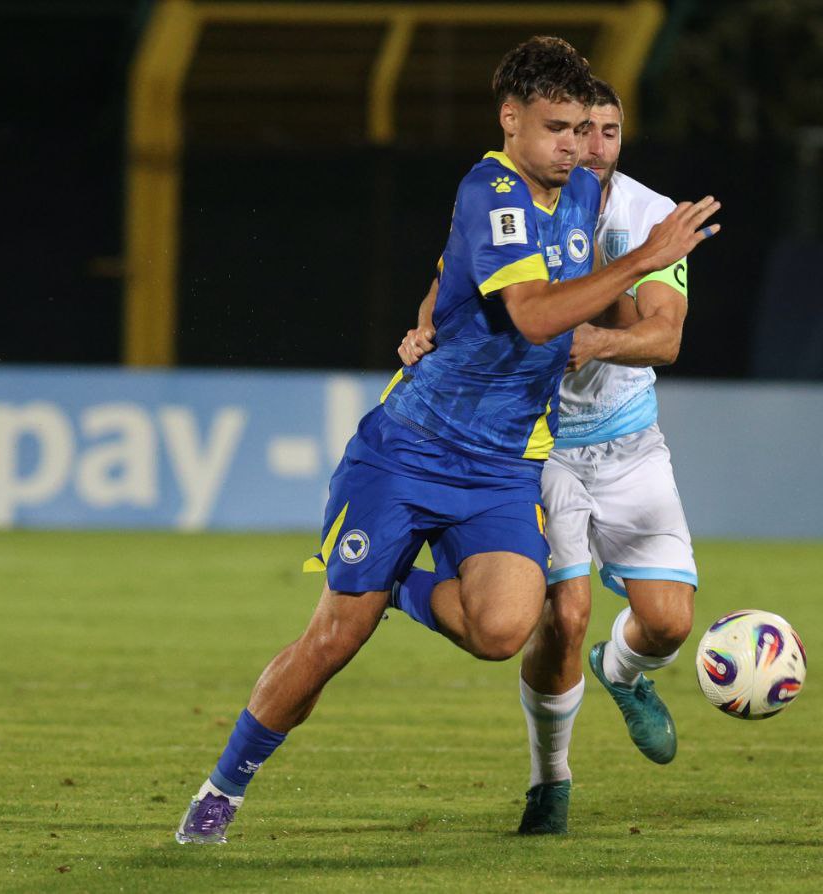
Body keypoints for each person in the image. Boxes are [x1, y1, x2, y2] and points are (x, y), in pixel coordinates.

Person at [175, 37, 720, 845]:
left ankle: (396, 581)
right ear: (511, 120)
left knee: (502, 632)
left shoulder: (576, 192)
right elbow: (534, 315)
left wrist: (431, 313)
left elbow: (452, 271)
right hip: (411, 449)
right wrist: (647, 256)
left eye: (582, 129)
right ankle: (222, 790)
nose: (573, 146)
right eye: (556, 128)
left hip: (504, 465)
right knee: (335, 637)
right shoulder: (491, 190)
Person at [397, 79, 700, 836]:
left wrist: (598, 338)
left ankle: (621, 672)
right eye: (577, 129)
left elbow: (665, 338)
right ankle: (550, 781)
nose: (590, 145)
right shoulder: (516, 197)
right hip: (542, 445)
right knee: (564, 615)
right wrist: (425, 325)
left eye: (607, 131)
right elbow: (452, 276)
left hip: (629, 442)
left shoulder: (650, 216)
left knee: (668, 623)